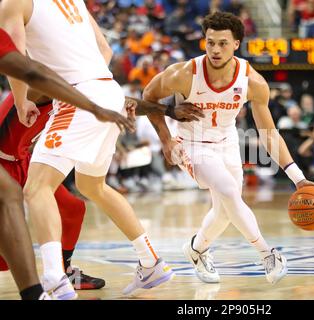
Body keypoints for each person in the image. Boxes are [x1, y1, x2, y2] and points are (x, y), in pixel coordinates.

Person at [0, 0, 188, 299]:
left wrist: (23, 100)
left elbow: (14, 54)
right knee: (92, 185)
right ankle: (151, 261)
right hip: (109, 91)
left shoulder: (15, 3)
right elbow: (106, 51)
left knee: (36, 189)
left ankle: (54, 280)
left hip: (79, 97)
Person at [143, 12, 314, 285]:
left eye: (222, 43)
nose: (215, 49)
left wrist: (298, 178)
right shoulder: (184, 73)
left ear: (237, 44)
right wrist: (166, 139)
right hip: (191, 143)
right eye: (210, 42)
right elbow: (147, 97)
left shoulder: (253, 82)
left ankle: (196, 248)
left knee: (226, 209)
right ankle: (267, 253)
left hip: (227, 142)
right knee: (227, 190)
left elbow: (269, 134)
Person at [0, 27, 132, 300]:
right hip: (3, 161)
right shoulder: (40, 84)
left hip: (24, 160)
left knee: (73, 207)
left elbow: (102, 56)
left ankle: (64, 270)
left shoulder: (77, 85)